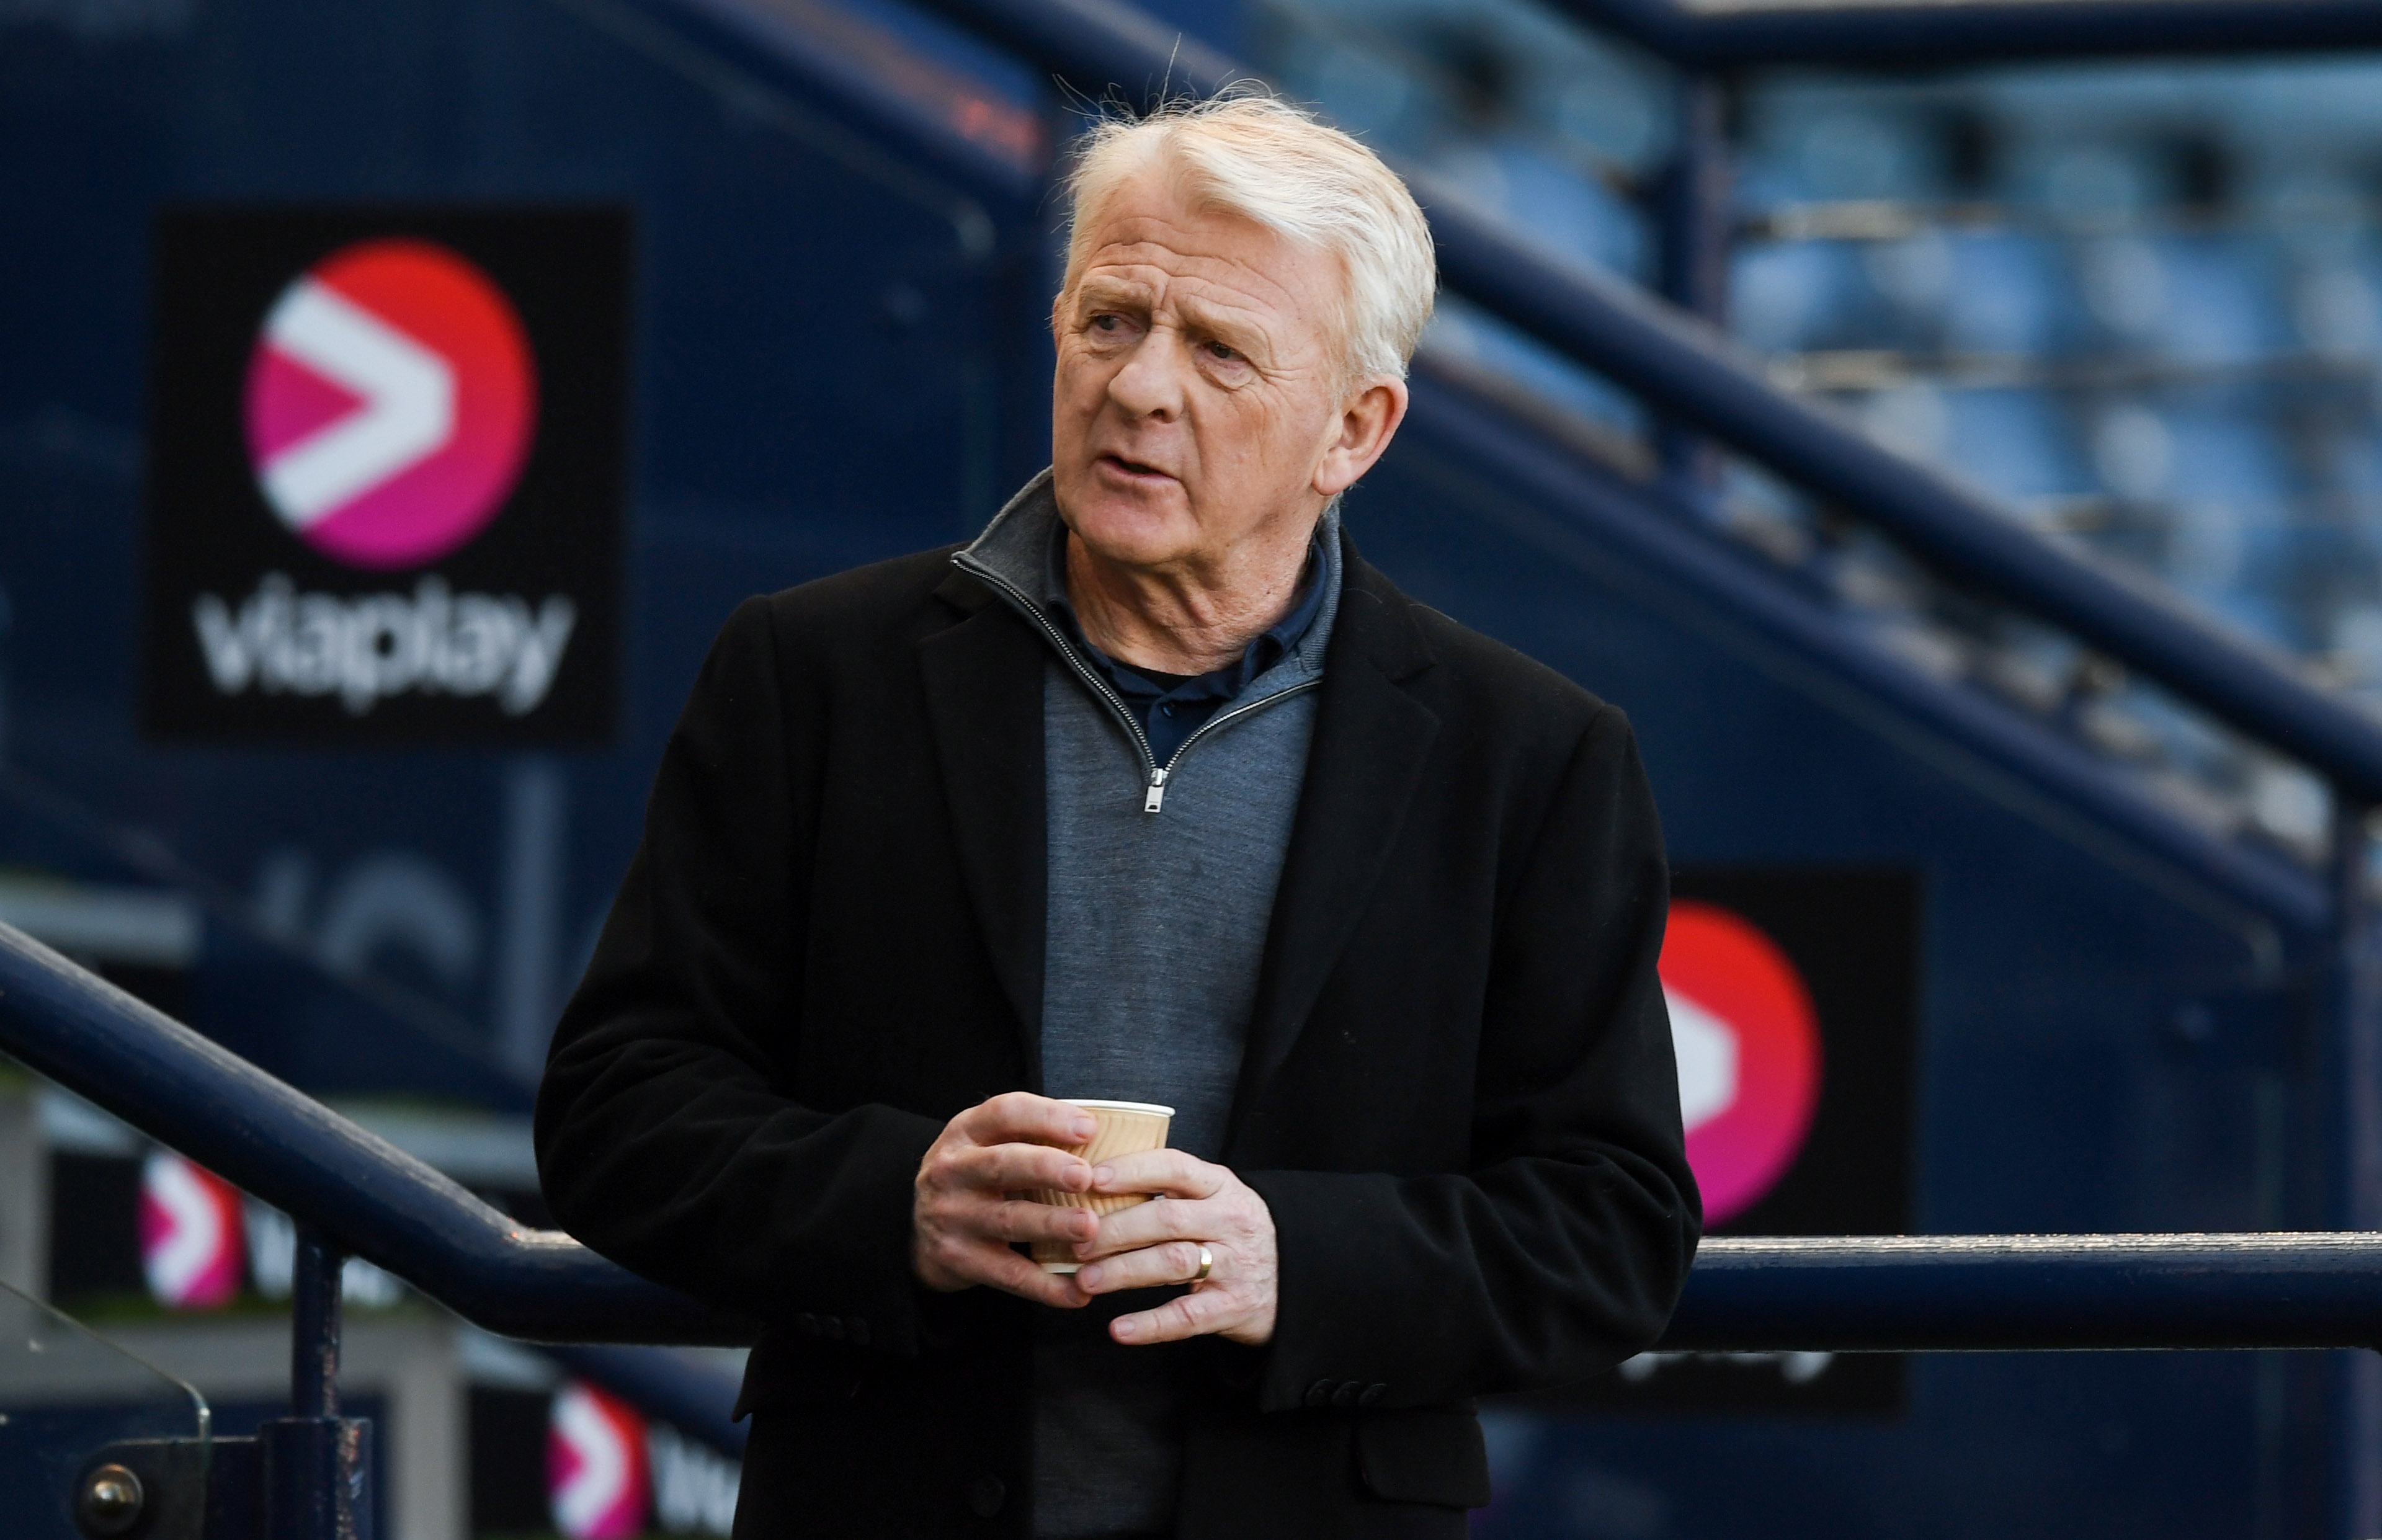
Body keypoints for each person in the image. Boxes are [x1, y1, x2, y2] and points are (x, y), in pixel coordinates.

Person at [535, 92, 1699, 1540]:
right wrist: (899, 1200)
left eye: (1219, 350)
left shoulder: (1530, 754)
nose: (1143, 387)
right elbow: (616, 1114)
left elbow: (1611, 1226)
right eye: (1110, 321)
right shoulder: (814, 671)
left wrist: (1299, 1262)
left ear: (1355, 428)